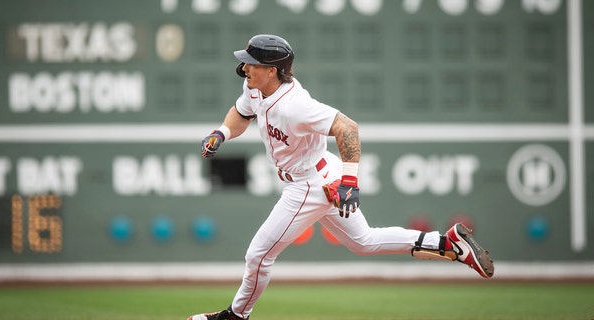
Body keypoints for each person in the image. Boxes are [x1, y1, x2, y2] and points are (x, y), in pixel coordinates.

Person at [189, 34, 494, 320]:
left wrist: (350, 182)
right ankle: (448, 242)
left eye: (251, 63)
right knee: (364, 241)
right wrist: (222, 132)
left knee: (258, 255)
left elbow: (347, 128)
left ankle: (235, 316)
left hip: (307, 185)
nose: (244, 67)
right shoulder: (255, 87)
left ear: (271, 70)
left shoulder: (296, 105)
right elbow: (241, 113)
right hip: (320, 173)